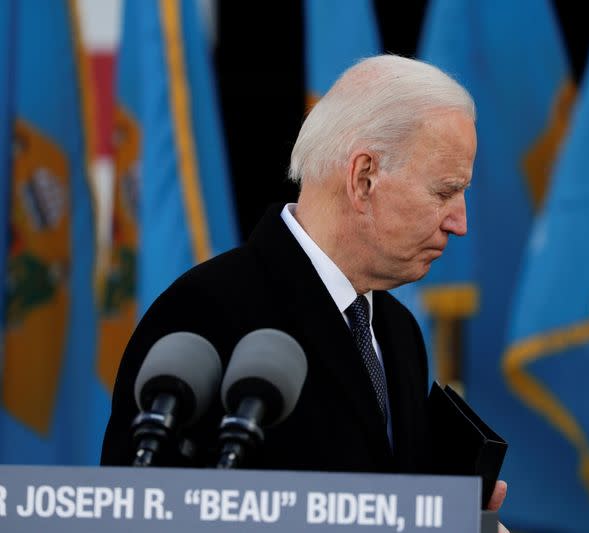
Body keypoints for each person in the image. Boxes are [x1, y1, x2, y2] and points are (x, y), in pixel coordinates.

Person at [101, 54, 506, 523]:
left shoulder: (398, 330)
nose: (460, 223)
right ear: (364, 178)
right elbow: (136, 509)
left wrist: (448, 515)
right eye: (444, 192)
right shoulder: (202, 314)